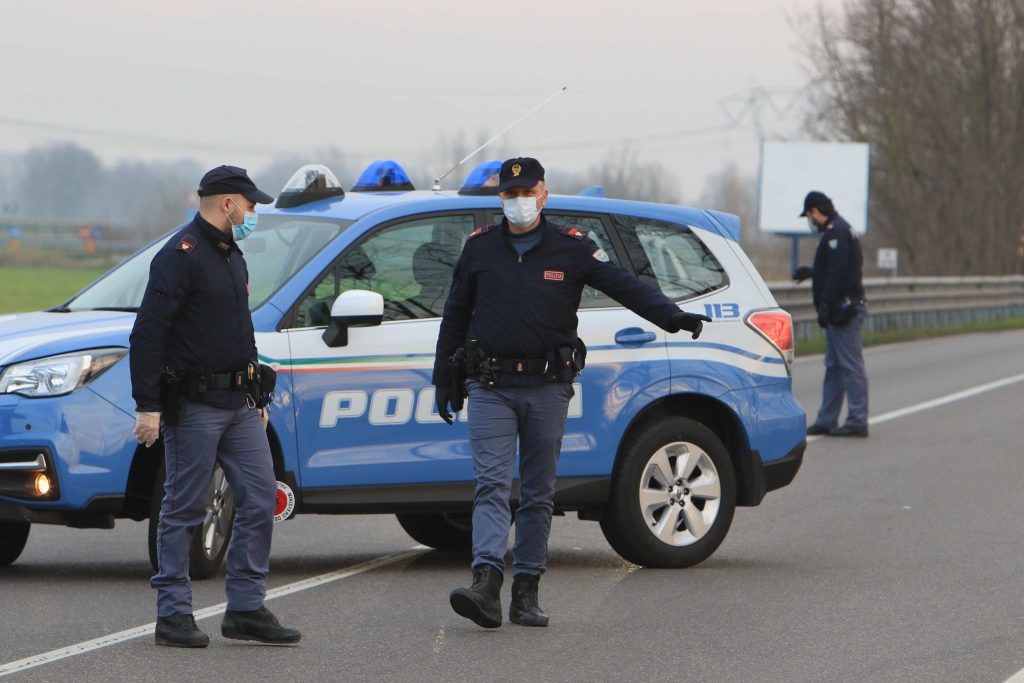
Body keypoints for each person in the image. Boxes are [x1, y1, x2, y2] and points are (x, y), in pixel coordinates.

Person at [433, 157, 712, 628]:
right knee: (491, 486)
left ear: (543, 194)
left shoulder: (573, 247)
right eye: (510, 194)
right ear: (500, 198)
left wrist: (671, 316)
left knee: (538, 493)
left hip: (547, 387)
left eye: (527, 192)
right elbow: (455, 313)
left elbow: (624, 285)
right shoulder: (480, 249)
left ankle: (526, 591)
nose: (519, 201)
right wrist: (444, 376)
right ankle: (485, 582)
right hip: (491, 386)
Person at [130, 165, 301, 648]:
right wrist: (148, 405)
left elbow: (239, 332)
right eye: (250, 204)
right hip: (194, 404)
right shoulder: (179, 256)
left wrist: (257, 395)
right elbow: (148, 334)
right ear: (228, 204)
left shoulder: (231, 255)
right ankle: (173, 613)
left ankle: (245, 608)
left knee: (260, 497)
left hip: (239, 403)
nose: (254, 212)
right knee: (185, 508)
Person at [793, 190, 869, 437]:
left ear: (815, 211)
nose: (810, 221)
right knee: (834, 366)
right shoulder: (837, 229)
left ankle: (857, 420)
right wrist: (813, 273)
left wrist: (825, 302)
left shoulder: (836, 232)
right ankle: (827, 420)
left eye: (808, 216)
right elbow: (836, 268)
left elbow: (839, 272)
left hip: (845, 310)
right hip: (840, 309)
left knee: (850, 366)